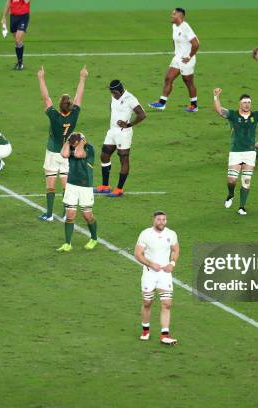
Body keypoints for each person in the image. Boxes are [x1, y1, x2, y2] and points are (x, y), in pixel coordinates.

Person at [213, 89, 258, 215]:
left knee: (246, 181)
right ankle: (230, 195)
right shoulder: (233, 115)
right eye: (244, 102)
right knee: (231, 180)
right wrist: (216, 97)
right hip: (236, 152)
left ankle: (241, 207)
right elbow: (219, 110)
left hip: (250, 153)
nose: (247, 104)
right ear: (239, 104)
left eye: (249, 102)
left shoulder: (255, 115)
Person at [37, 66, 87, 221]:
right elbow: (79, 96)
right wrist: (82, 77)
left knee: (50, 183)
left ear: (59, 106)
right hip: (67, 153)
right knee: (65, 184)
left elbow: (46, 98)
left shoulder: (54, 116)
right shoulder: (74, 115)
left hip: (53, 152)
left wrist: (41, 78)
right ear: (71, 106)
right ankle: (66, 213)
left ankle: (50, 214)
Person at [134, 211, 180, 345]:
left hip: (164, 274)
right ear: (154, 220)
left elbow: (176, 249)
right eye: (159, 219)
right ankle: (145, 330)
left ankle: (165, 335)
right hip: (150, 273)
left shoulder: (171, 234)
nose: (161, 222)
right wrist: (150, 264)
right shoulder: (145, 234)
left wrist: (172, 263)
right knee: (147, 303)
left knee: (167, 304)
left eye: (164, 219)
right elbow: (138, 254)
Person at [94, 80, 146, 197]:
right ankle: (105, 186)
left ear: (118, 91)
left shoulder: (130, 99)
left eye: (113, 92)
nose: (112, 94)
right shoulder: (114, 97)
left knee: (123, 159)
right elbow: (112, 108)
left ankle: (119, 189)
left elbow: (142, 114)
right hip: (112, 131)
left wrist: (129, 124)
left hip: (123, 133)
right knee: (104, 155)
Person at [149, 8, 200, 113]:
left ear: (179, 16)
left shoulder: (186, 28)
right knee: (168, 78)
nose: (171, 16)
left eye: (173, 14)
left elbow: (196, 44)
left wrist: (189, 56)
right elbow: (174, 40)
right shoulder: (174, 26)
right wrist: (176, 52)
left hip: (187, 59)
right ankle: (161, 103)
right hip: (178, 58)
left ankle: (194, 105)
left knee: (188, 82)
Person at [57, 133, 98, 252]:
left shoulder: (89, 148)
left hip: (85, 187)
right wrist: (68, 141)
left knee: (87, 215)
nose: (73, 146)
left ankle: (94, 238)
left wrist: (81, 142)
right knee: (70, 215)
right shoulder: (70, 147)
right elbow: (63, 154)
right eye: (72, 143)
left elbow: (79, 154)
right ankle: (67, 243)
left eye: (75, 143)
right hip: (71, 185)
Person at [1, 0, 31, 70]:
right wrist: (4, 16)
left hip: (23, 16)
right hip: (13, 17)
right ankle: (19, 62)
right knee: (17, 41)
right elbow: (8, 3)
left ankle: (20, 63)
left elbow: (27, 1)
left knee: (18, 39)